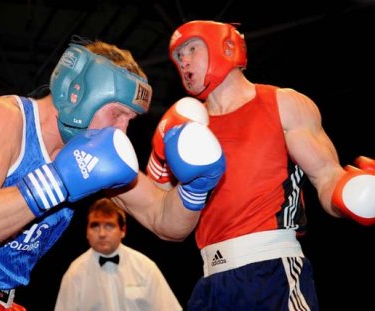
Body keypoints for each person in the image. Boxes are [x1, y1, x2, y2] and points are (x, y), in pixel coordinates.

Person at [0, 36, 225, 310]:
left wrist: (195, 188)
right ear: (77, 93)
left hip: (2, 301)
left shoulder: (89, 154)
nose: (121, 132)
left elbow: (164, 221)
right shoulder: (1, 118)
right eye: (118, 114)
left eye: (129, 120)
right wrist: (56, 181)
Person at [144, 20, 375, 310]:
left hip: (272, 271)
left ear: (226, 46)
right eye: (178, 57)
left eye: (191, 49)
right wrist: (158, 159)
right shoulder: (186, 128)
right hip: (211, 279)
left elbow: (327, 177)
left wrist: (351, 193)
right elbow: (160, 211)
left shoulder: (283, 104)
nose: (184, 61)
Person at [54, 197, 182, 311]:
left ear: (123, 230)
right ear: (87, 231)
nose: (102, 233)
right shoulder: (75, 274)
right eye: (95, 226)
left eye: (109, 226)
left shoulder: (145, 268)